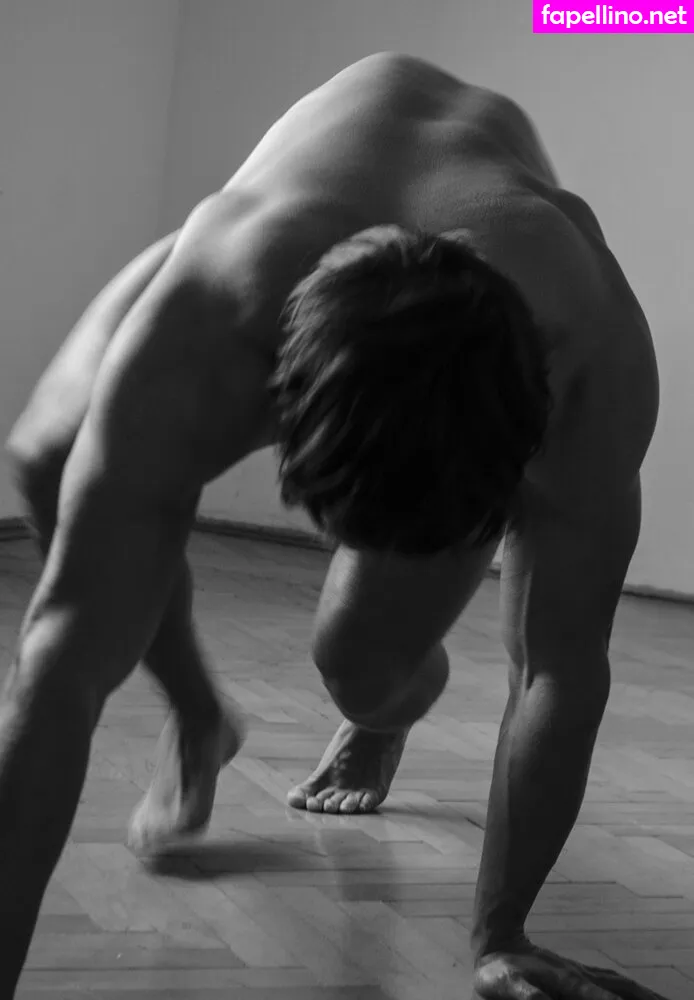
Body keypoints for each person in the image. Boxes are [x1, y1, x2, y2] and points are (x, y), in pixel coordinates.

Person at [0, 53, 663, 1000]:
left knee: (362, 668)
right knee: (48, 463)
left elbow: (559, 665)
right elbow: (63, 653)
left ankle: (376, 720)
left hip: (441, 283)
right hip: (276, 229)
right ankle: (199, 714)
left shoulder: (594, 358)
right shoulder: (215, 313)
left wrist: (502, 935)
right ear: (272, 400)